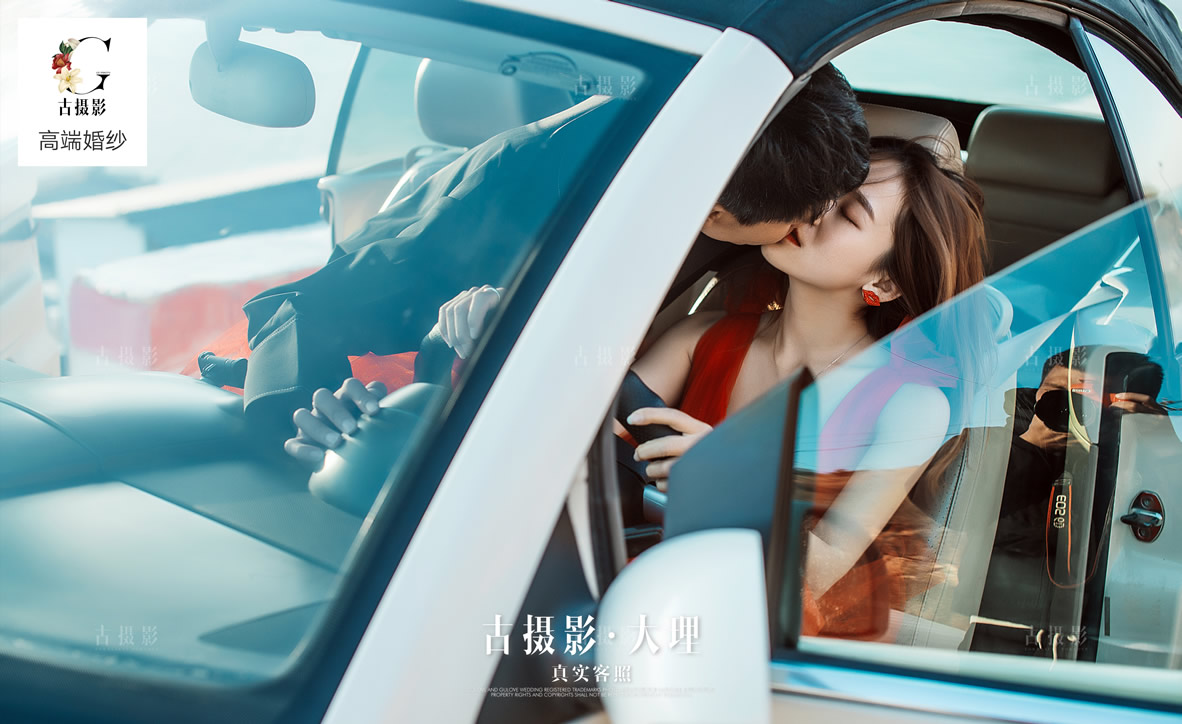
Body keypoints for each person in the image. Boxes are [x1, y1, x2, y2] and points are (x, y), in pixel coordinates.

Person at [283, 64, 871, 464]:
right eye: (807, 218)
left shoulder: (760, 194)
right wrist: (311, 434)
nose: (819, 222)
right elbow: (304, 313)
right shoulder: (510, 183)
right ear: (711, 210)